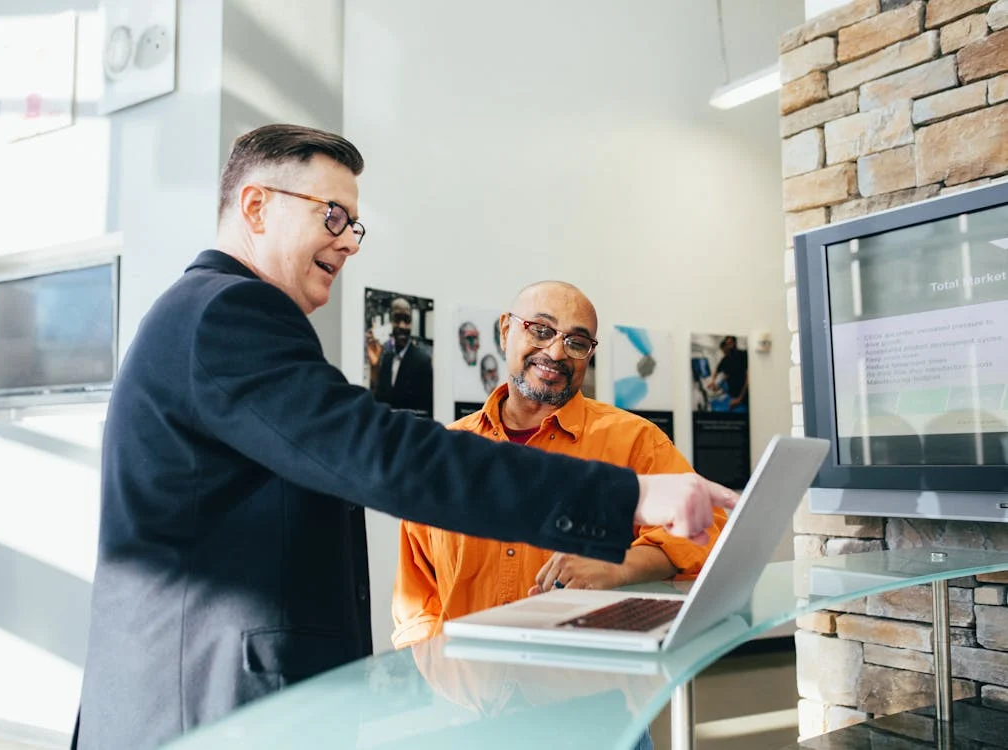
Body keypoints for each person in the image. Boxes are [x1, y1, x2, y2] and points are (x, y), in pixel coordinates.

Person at [73, 124, 737, 750]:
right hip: (206, 705)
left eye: (354, 224)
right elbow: (384, 456)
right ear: (254, 207)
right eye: (331, 215)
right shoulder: (228, 312)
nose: (349, 242)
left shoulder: (209, 315)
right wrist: (629, 497)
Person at [391, 282, 727, 648]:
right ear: (506, 331)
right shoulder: (446, 454)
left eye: (577, 342)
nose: (555, 352)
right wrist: (436, 680)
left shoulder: (635, 441)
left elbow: (709, 533)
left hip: (586, 689)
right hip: (468, 693)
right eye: (541, 330)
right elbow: (417, 599)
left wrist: (619, 564)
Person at [367, 296, 434, 417]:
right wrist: (374, 368)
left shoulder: (422, 361)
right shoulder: (386, 359)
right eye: (397, 319)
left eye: (407, 320)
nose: (402, 326)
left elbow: (426, 412)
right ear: (390, 321)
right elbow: (378, 402)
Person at [709, 335, 748, 412]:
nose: (729, 346)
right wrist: (713, 382)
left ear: (735, 343)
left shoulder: (743, 355)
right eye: (727, 344)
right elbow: (719, 371)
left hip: (744, 396)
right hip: (732, 395)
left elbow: (748, 378)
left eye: (730, 343)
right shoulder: (726, 359)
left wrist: (739, 399)